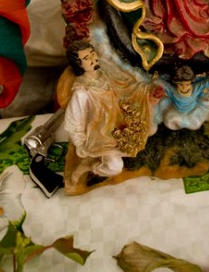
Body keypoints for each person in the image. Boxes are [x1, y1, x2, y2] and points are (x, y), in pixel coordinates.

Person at [63, 41, 149, 185]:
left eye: (92, 54)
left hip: (120, 129)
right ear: (78, 65)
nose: (92, 59)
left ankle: (96, 160)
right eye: (86, 59)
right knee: (115, 167)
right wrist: (80, 144)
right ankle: (90, 167)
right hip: (100, 137)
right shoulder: (82, 92)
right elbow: (75, 121)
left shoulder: (108, 76)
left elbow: (127, 90)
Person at [155, 65, 209, 130]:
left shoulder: (195, 89)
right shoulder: (173, 91)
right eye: (181, 84)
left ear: (191, 83)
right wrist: (155, 78)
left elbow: (205, 83)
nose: (184, 87)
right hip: (176, 112)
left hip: (193, 111)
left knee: (196, 124)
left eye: (187, 84)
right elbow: (164, 85)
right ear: (176, 83)